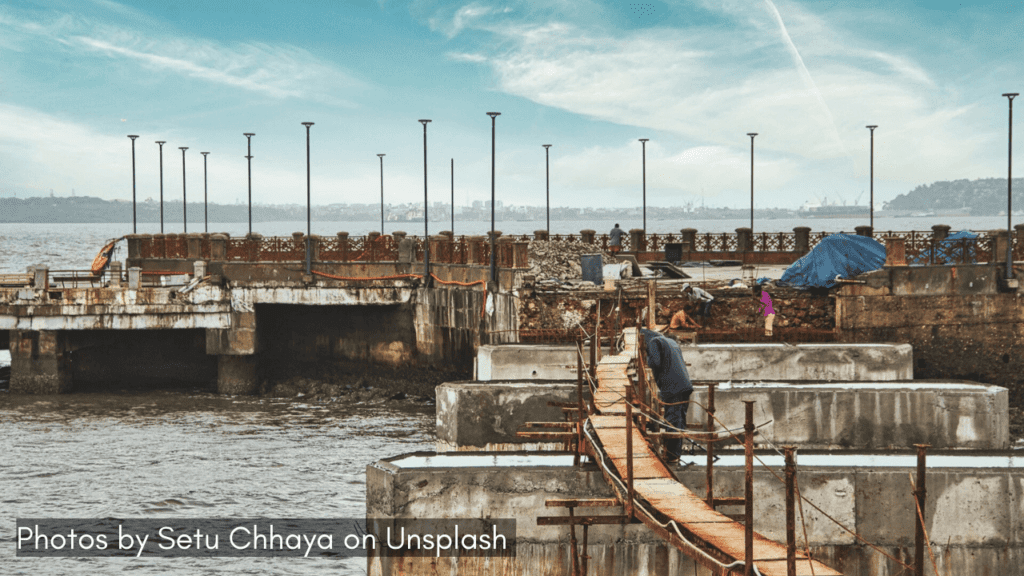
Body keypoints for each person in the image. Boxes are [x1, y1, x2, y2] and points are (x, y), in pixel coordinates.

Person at [640, 328, 693, 464]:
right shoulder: (670, 341)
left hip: (672, 387)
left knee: (672, 420)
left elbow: (655, 362)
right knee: (679, 420)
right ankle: (674, 454)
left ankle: (670, 456)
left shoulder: (653, 342)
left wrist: (646, 358)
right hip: (684, 385)